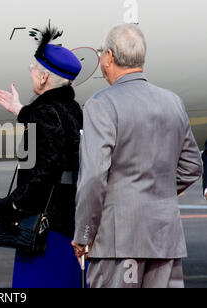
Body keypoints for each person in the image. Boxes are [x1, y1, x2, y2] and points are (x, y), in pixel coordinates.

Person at [72, 24, 203, 288]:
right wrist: (157, 190)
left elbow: (94, 177)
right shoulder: (172, 101)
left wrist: (84, 234)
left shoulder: (102, 104)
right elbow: (192, 165)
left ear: (109, 57)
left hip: (120, 241)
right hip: (165, 238)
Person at [0, 25, 84, 288]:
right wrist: (21, 110)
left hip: (45, 227)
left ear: (43, 79)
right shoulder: (72, 109)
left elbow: (46, 168)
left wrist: (13, 203)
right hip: (68, 220)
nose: (31, 73)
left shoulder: (46, 113)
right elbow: (55, 128)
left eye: (34, 69)